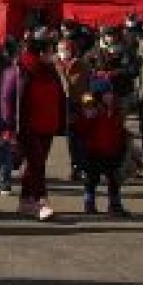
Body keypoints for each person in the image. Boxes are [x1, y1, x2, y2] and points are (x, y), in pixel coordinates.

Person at [0, 35, 66, 221]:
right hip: (27, 126)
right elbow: (6, 98)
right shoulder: (19, 70)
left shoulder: (50, 70)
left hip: (48, 125)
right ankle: (39, 201)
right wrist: (9, 126)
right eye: (51, 51)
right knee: (36, 164)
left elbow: (60, 94)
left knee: (35, 165)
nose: (54, 55)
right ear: (41, 53)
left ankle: (25, 202)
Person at [70, 80, 129, 217]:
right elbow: (80, 129)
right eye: (106, 94)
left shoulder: (115, 109)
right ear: (98, 95)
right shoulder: (91, 110)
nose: (110, 96)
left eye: (111, 93)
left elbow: (119, 129)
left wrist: (124, 144)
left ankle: (115, 205)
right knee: (91, 180)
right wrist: (87, 117)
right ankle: (89, 203)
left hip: (113, 151)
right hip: (93, 152)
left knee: (114, 180)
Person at [53, 36, 92, 182]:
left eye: (65, 49)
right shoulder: (54, 65)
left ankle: (78, 167)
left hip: (76, 106)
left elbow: (87, 89)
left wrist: (89, 105)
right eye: (60, 49)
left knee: (77, 139)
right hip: (59, 106)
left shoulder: (81, 66)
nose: (63, 52)